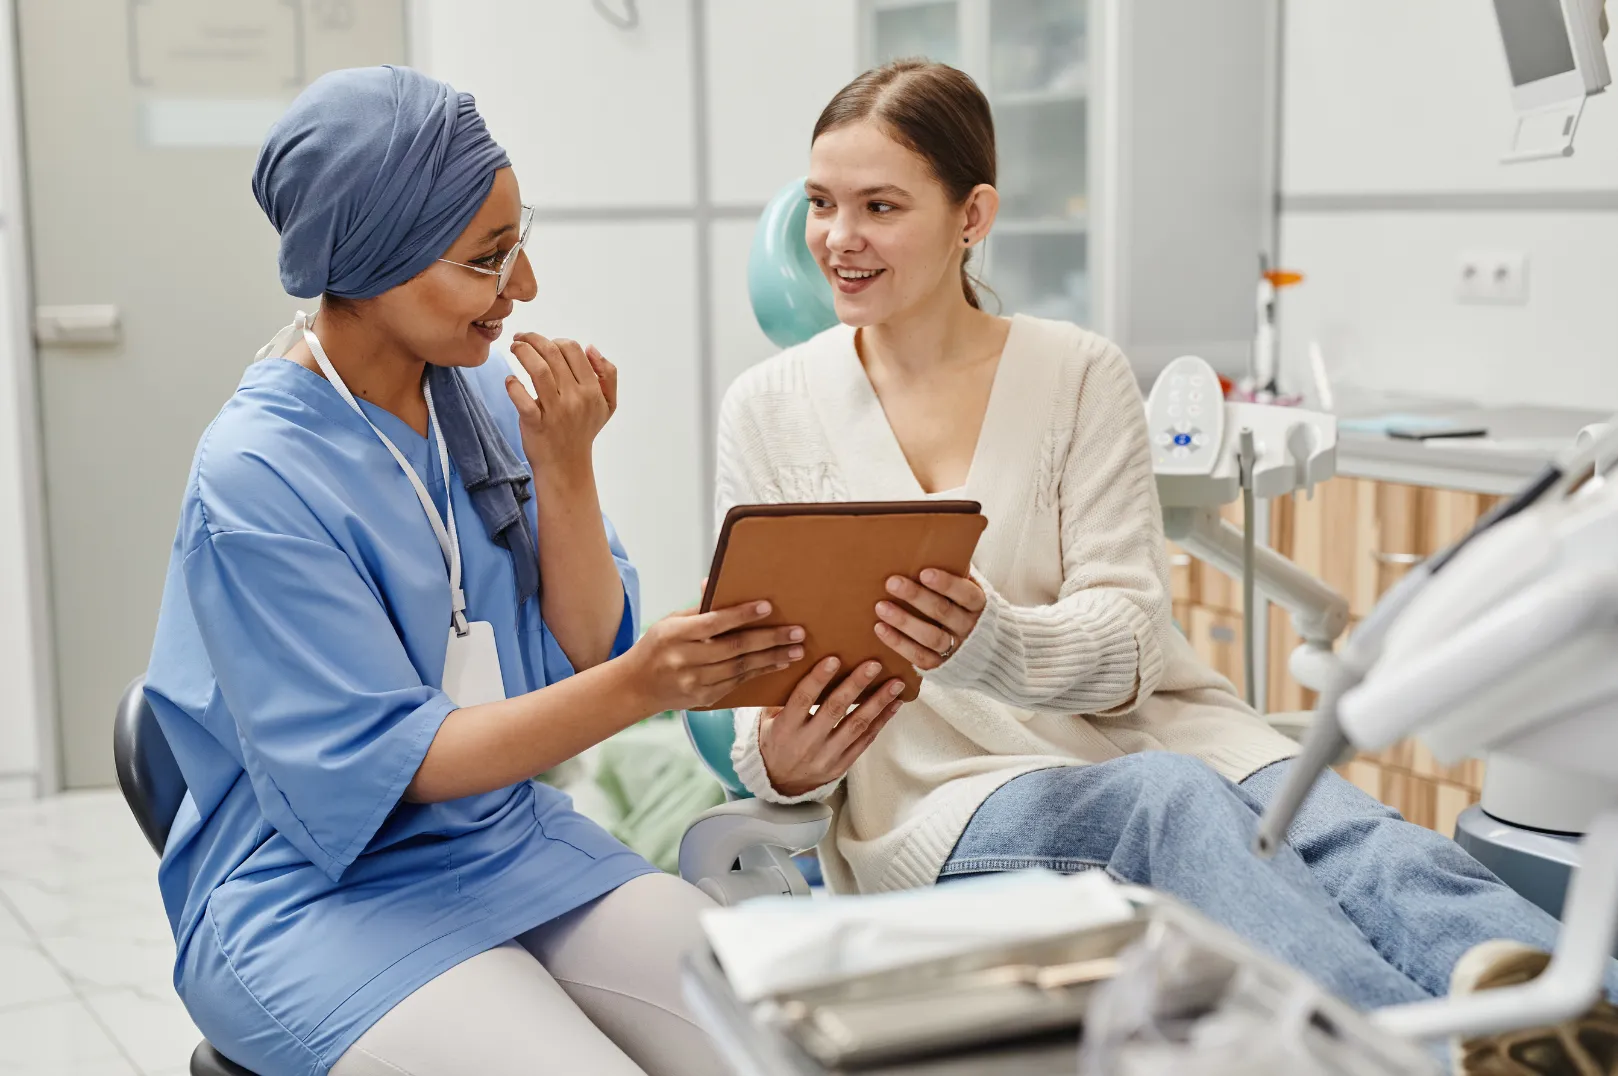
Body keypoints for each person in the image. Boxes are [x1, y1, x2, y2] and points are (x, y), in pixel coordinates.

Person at [715, 58, 1618, 1067]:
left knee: (1365, 835)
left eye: (879, 205)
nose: (839, 237)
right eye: (822, 203)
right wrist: (783, 765)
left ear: (972, 215)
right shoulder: (768, 406)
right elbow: (755, 684)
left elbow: (1128, 636)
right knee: (1168, 803)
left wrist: (990, 638)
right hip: (941, 791)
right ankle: (1420, 1055)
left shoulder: (1077, 371)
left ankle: (1573, 1018)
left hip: (1169, 728)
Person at [143, 66, 827, 1076]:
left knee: (788, 1038)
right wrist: (642, 684)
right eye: (487, 260)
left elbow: (589, 643)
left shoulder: (486, 403)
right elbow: (400, 760)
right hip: (310, 894)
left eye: (519, 241)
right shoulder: (257, 474)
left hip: (502, 836)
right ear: (373, 263)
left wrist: (567, 467)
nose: (526, 287)